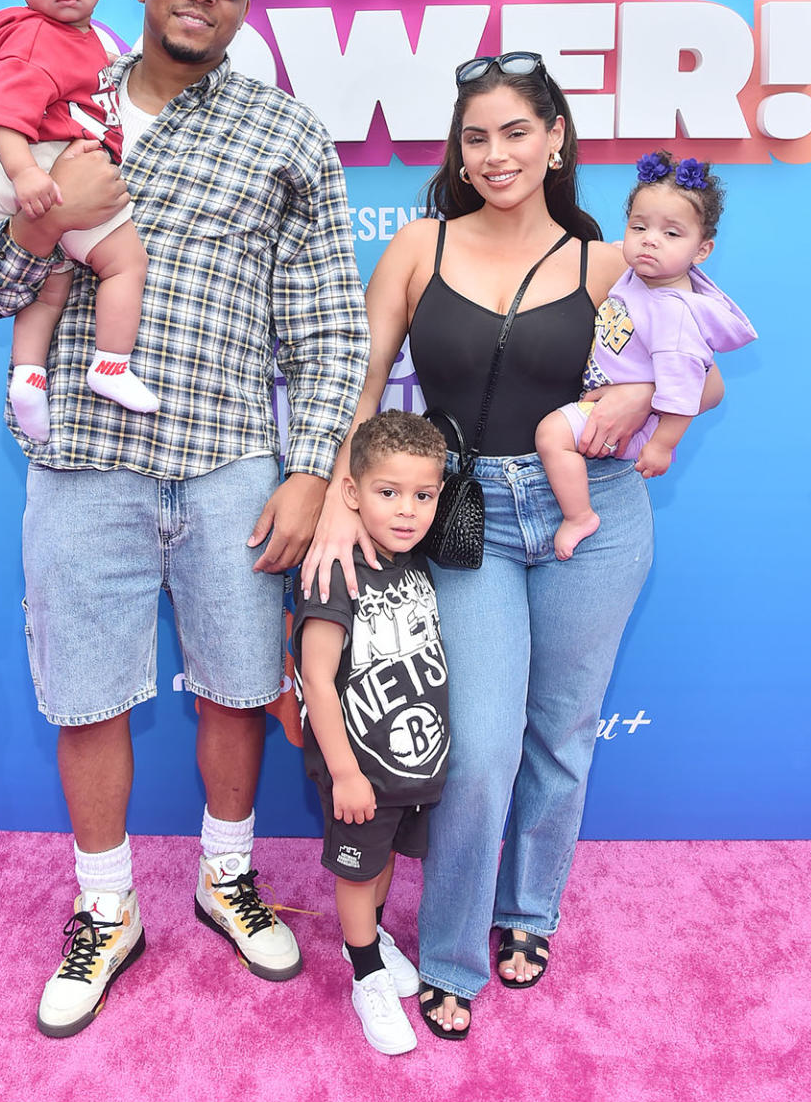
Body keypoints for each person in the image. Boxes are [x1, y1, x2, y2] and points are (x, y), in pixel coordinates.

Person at [0, 0, 369, 1037]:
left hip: (237, 459)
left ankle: (225, 876)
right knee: (87, 694)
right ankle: (106, 907)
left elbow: (333, 325)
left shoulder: (288, 134)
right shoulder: (56, 98)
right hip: (85, 460)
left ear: (247, 5)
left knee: (241, 682)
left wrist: (314, 471)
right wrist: (45, 219)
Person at [302, 51, 723, 1039]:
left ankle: (527, 912)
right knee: (483, 746)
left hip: (596, 507)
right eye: (476, 136)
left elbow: (700, 377)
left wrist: (631, 397)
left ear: (557, 139)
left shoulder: (612, 261)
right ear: (459, 149)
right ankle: (450, 953)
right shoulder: (418, 246)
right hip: (468, 514)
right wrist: (334, 496)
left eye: (516, 132)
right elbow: (359, 389)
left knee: (560, 735)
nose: (495, 154)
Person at [0, 0, 157, 441]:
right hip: (48, 171)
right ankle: (111, 364)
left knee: (51, 284)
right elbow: (5, 116)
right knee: (125, 263)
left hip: (40, 175)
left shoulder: (95, 43)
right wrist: (31, 177)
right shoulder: (34, 40)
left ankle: (29, 376)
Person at [294, 410, 449, 1055]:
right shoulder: (338, 569)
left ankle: (375, 937)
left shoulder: (416, 566)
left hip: (410, 764)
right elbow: (317, 679)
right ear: (352, 495)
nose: (408, 510)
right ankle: (366, 975)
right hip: (359, 767)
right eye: (389, 493)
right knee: (358, 873)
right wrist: (347, 773)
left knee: (382, 864)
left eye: (424, 495)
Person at [536, 152, 756, 559]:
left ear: (702, 250)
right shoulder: (643, 274)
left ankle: (579, 516)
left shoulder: (673, 313)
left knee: (551, 434)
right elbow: (632, 250)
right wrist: (629, 245)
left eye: (672, 234)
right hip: (609, 402)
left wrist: (661, 445)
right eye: (639, 227)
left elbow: (683, 390)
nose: (650, 240)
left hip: (636, 425)